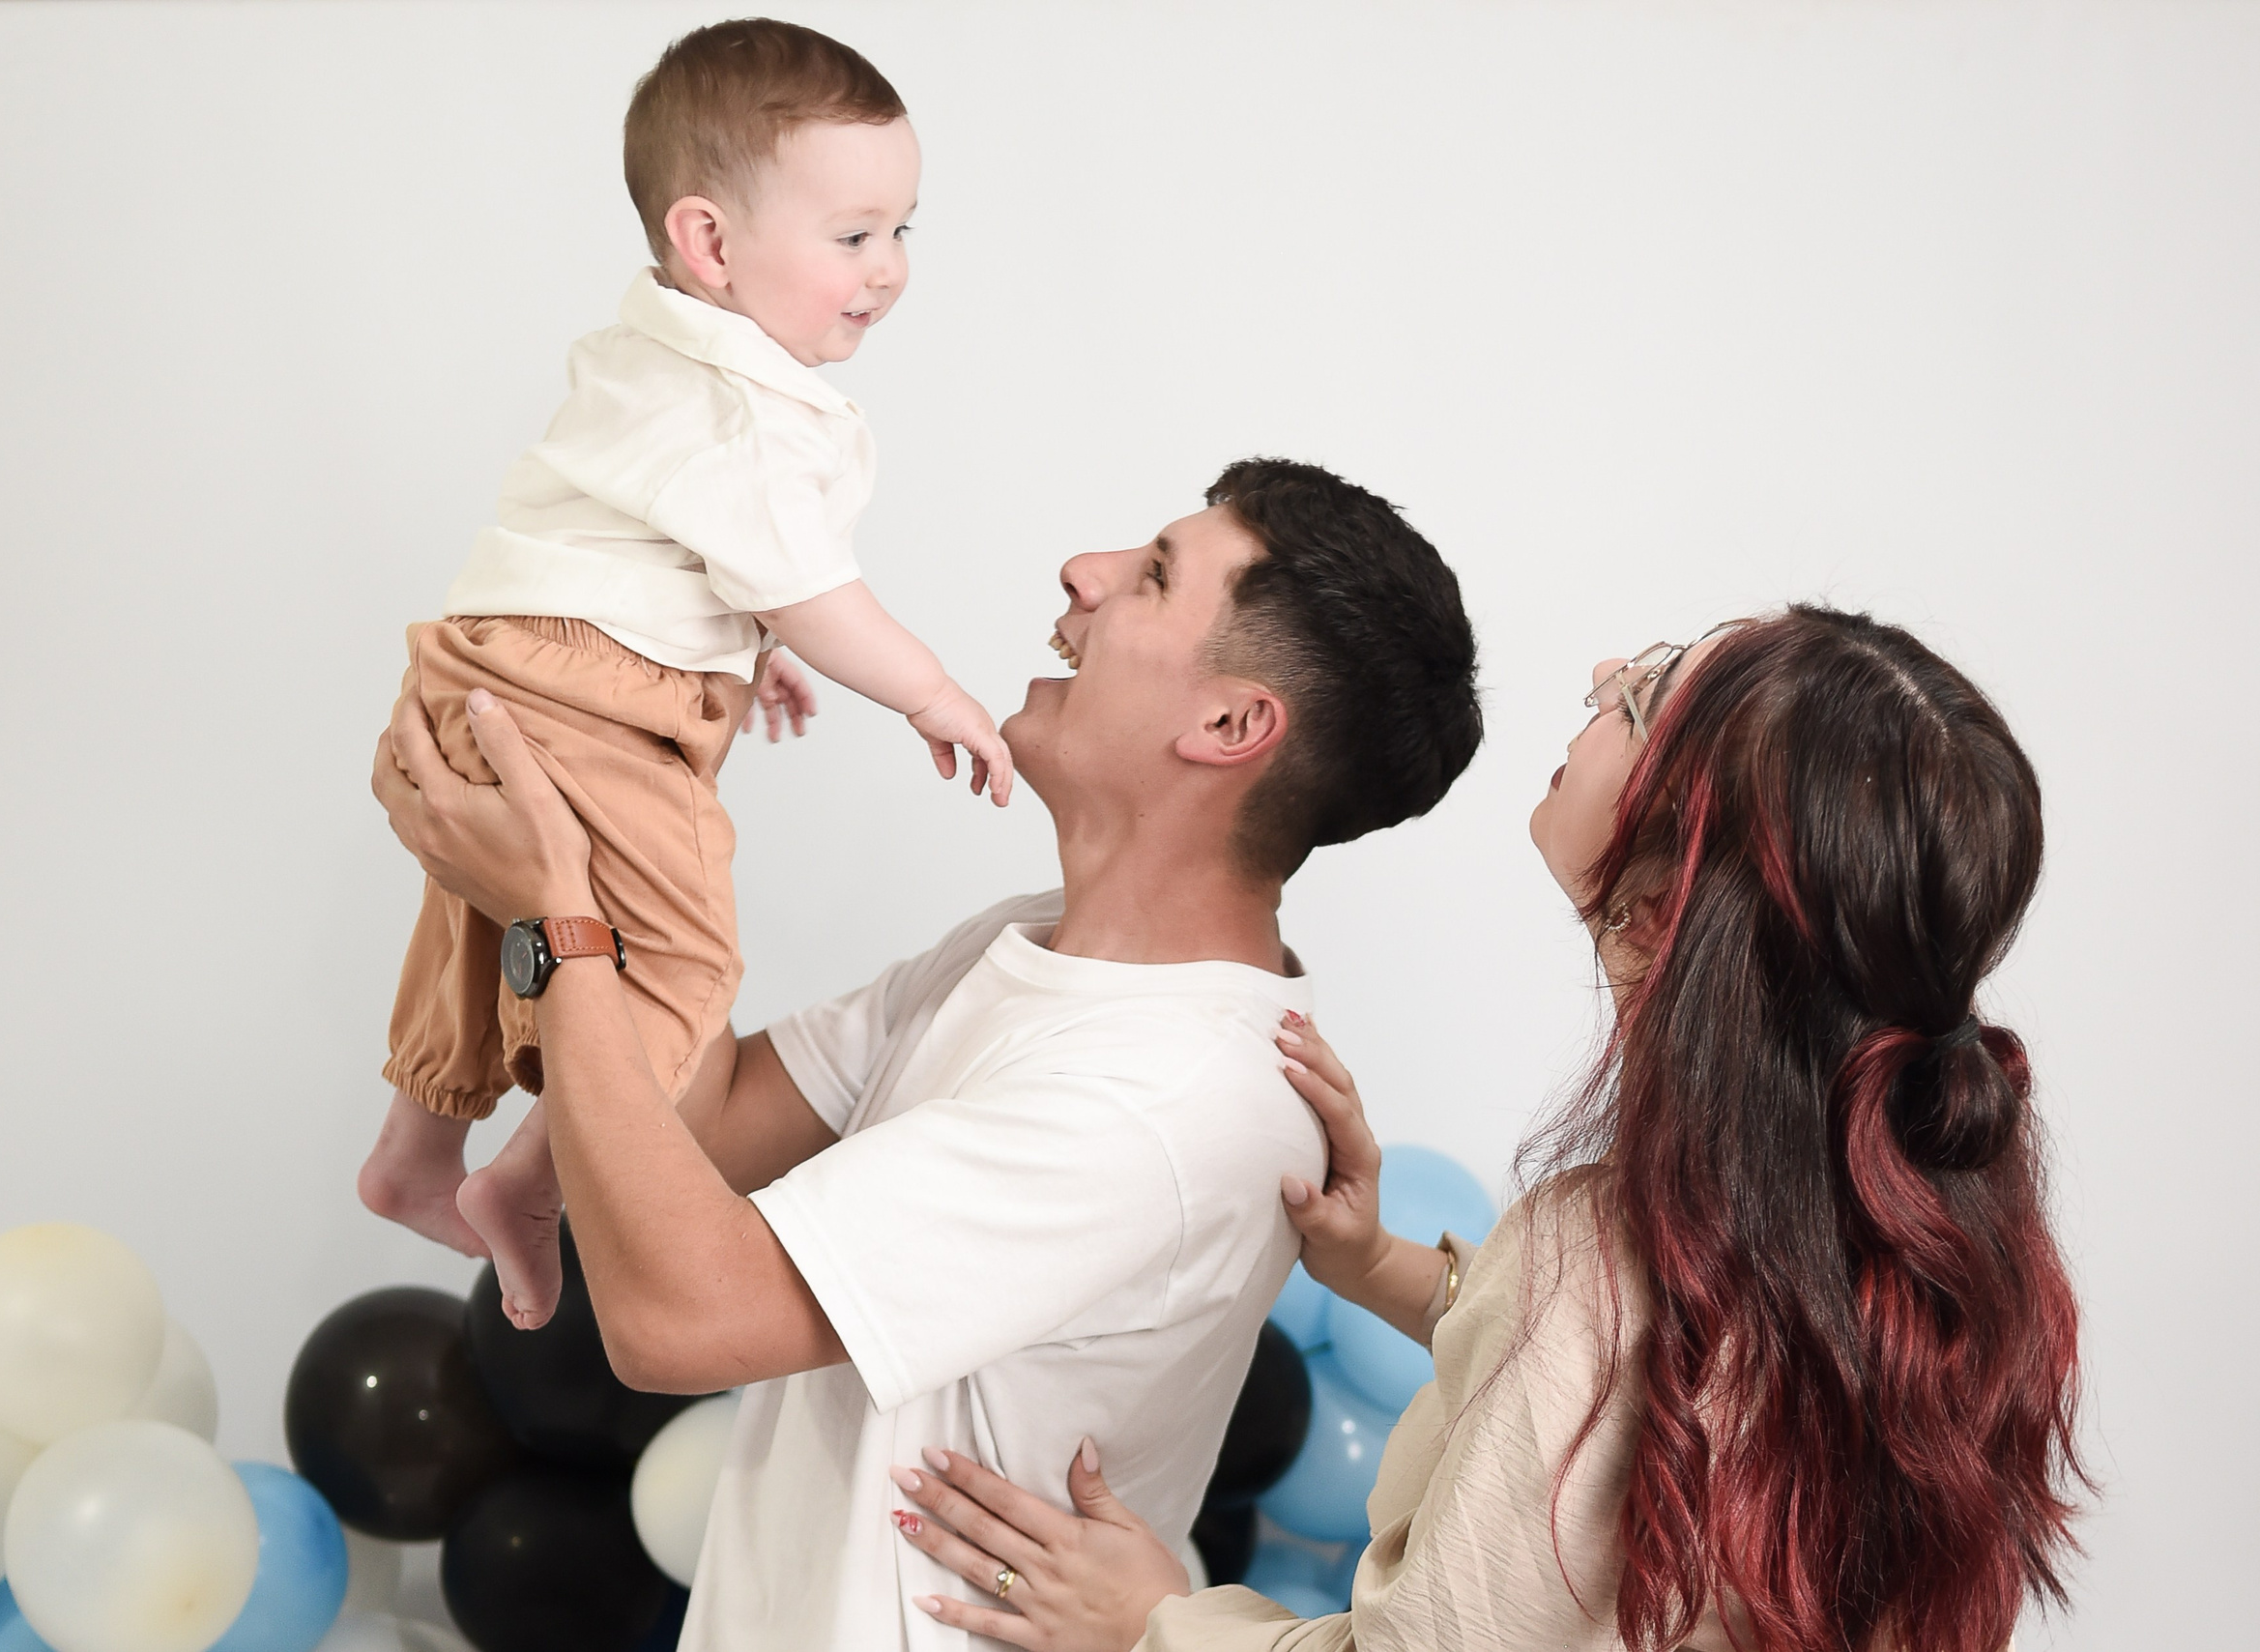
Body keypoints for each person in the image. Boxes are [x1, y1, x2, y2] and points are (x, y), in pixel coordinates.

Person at [370, 457, 1484, 1650]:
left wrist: (557, 925)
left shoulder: (1165, 1101)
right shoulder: (1029, 943)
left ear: (1228, 725)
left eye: (1154, 575)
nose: (1085, 571)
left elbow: (674, 1318)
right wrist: (638, 779)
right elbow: (708, 1110)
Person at [888, 606, 2087, 1652]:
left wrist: (1153, 1616)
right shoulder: (1940, 1236)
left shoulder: (1602, 1256)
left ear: (1673, 891)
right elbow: (1670, 1379)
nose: (1603, 671)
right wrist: (1378, 1264)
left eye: (1649, 688)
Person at [359, 19, 1017, 1332]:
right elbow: (812, 590)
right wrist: (931, 689)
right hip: (586, 702)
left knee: (487, 918)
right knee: (676, 969)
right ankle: (529, 1184)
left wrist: (733, 645)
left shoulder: (661, 347)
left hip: (496, 667)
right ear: (710, 242)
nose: (888, 271)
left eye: (904, 231)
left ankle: (415, 1157)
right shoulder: (748, 408)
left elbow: (662, 546)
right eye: (854, 236)